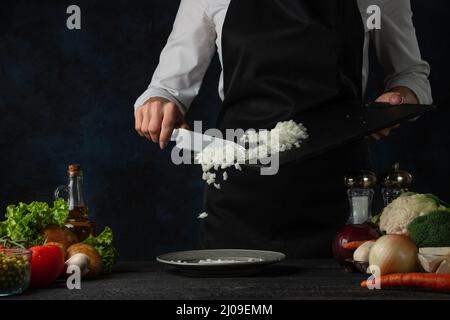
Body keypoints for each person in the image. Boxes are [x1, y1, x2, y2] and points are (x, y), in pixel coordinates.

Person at [134, 0, 432, 257]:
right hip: (240, 197)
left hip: (340, 199)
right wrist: (159, 101)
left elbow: (411, 75)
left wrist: (401, 98)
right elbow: (166, 87)